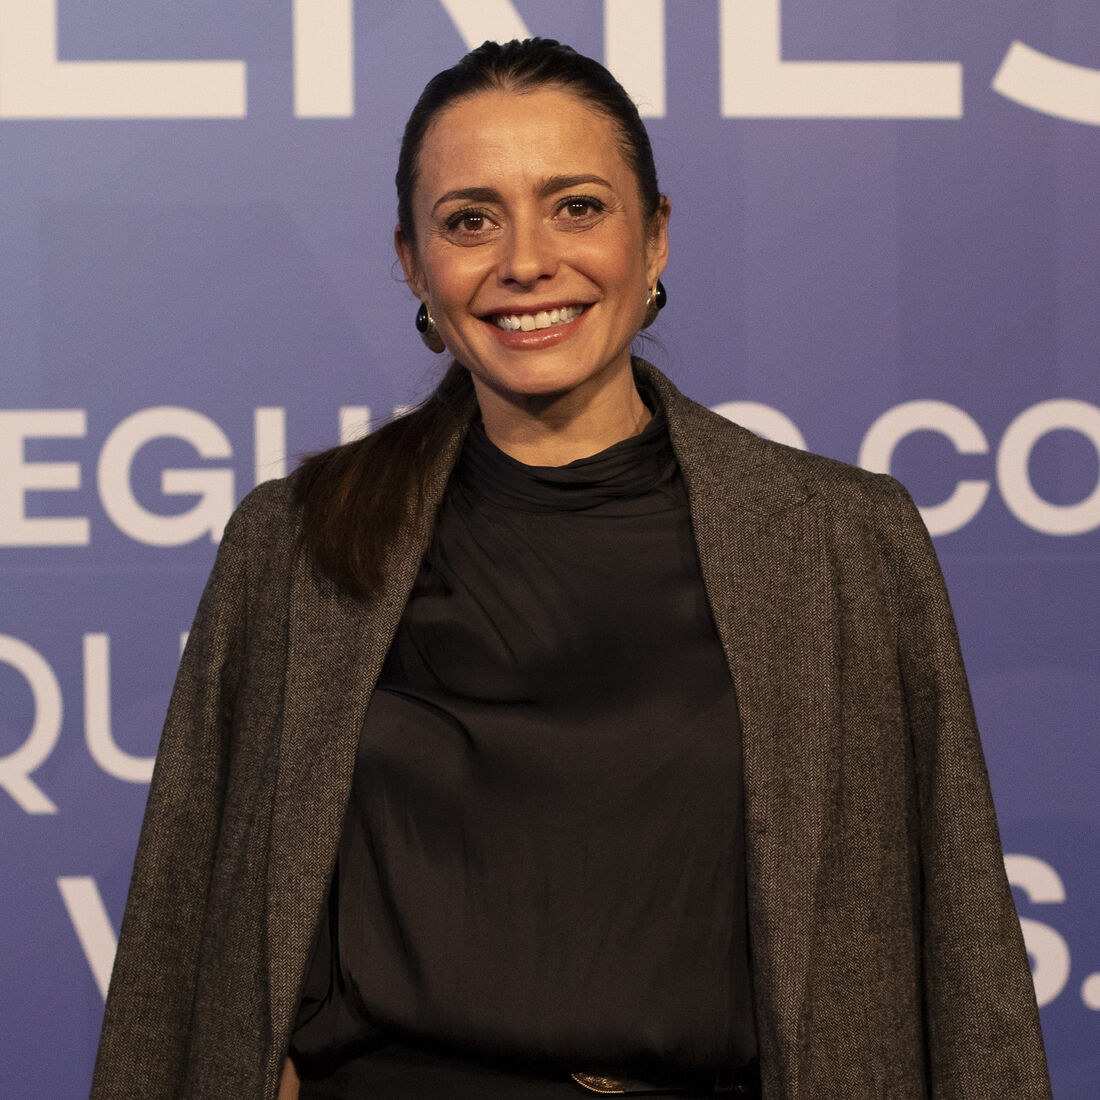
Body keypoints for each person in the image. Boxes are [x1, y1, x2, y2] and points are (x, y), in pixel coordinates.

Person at [90, 38, 1051, 1099]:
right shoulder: (296, 544)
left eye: (577, 207)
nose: (525, 262)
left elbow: (964, 951)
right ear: (412, 262)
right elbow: (179, 948)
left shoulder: (843, 542)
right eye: (470, 220)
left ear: (655, 236)